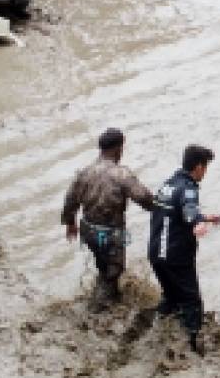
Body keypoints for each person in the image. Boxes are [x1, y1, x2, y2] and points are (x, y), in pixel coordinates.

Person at [61, 128, 160, 310]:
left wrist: (70, 223)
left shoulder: (84, 172)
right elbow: (144, 198)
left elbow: (70, 200)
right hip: (110, 233)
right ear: (118, 149)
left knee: (102, 264)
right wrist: (163, 210)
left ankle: (108, 297)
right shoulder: (121, 174)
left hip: (88, 230)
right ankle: (99, 309)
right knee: (114, 271)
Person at [148, 145, 220, 354]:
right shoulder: (189, 188)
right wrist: (197, 223)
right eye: (205, 167)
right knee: (192, 302)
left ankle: (155, 332)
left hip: (156, 256)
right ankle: (190, 349)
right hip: (176, 258)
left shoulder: (167, 185)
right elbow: (189, 209)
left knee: (171, 297)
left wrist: (204, 217)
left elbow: (175, 211)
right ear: (198, 167)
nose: (205, 172)